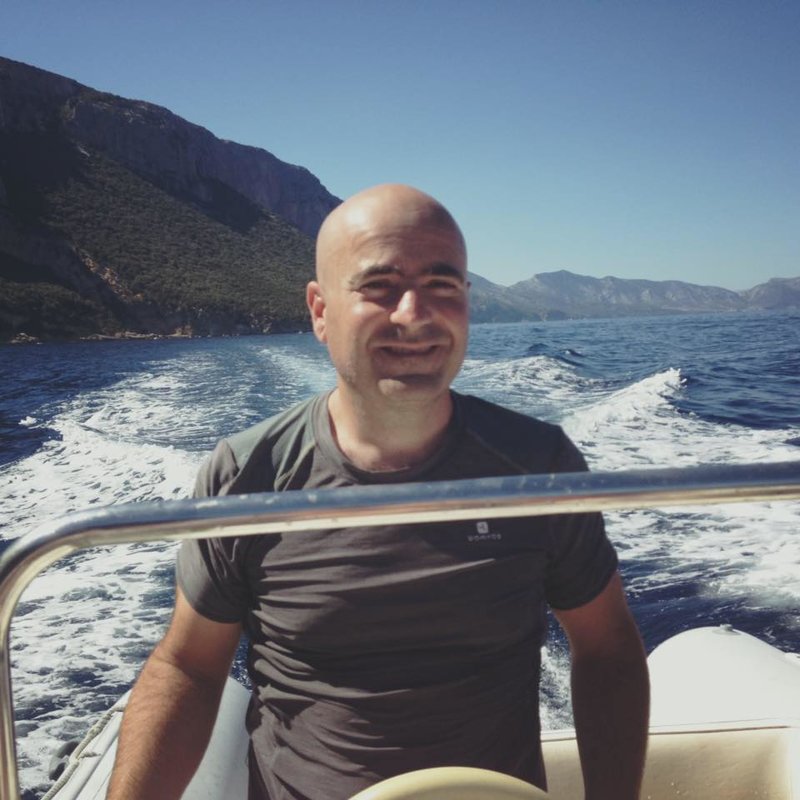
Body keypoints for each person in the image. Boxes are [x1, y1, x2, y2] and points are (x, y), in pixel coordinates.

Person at [107, 184, 649, 800]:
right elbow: (190, 666)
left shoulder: (537, 467)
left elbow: (605, 648)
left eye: (443, 285)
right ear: (320, 311)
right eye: (379, 286)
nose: (414, 314)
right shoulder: (247, 477)